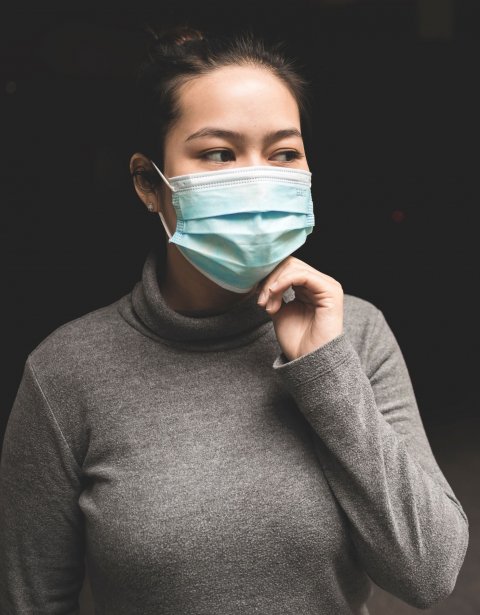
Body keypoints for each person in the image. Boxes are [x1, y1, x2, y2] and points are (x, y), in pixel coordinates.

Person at [0, 25, 469, 615]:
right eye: (218, 153)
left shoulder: (359, 331)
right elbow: (31, 601)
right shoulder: (64, 373)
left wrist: (323, 371)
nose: (257, 177)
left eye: (284, 153)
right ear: (150, 183)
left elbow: (429, 573)